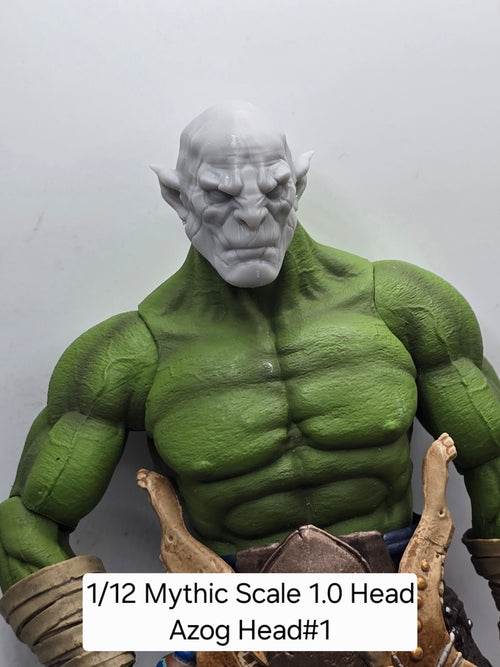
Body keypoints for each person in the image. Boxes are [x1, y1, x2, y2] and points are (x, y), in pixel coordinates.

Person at [0, 101, 499, 667]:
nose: (252, 217)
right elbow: (27, 526)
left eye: (273, 189)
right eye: (220, 195)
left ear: (298, 184)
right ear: (177, 197)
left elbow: (494, 461)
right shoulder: (127, 355)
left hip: (407, 625)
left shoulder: (404, 306)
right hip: (231, 630)